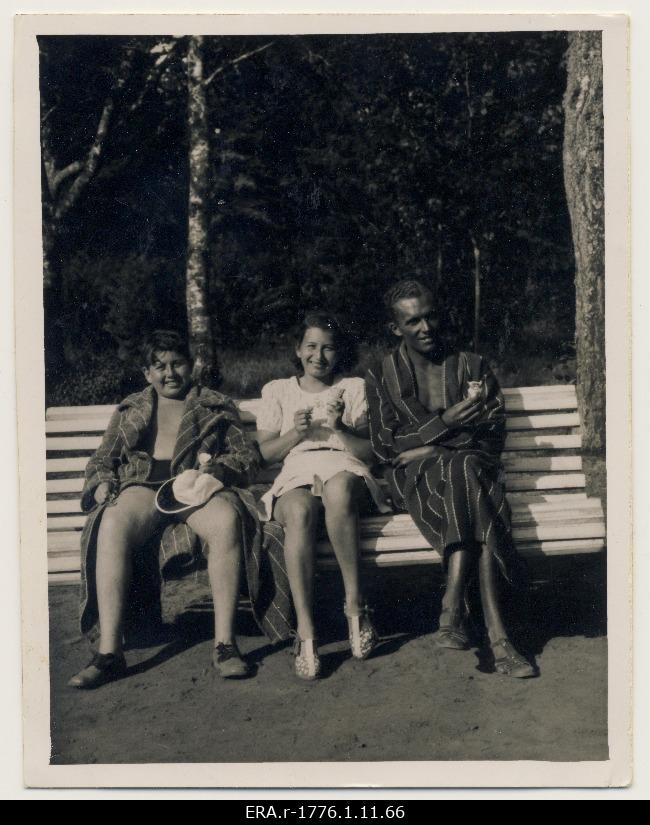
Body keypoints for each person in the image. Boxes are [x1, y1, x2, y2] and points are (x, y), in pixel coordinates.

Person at [69, 330, 265, 688]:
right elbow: (103, 457)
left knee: (225, 519)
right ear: (147, 373)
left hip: (193, 486)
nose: (169, 373)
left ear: (191, 366)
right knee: (112, 522)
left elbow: (247, 455)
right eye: (159, 366)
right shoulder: (132, 409)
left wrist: (221, 469)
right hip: (143, 485)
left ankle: (225, 643)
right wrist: (100, 483)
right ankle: (110, 652)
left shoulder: (215, 405)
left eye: (177, 363)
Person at [365, 279, 535, 678]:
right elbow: (384, 446)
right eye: (413, 322)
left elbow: (493, 433)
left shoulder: (472, 366)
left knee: (464, 473)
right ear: (396, 328)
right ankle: (499, 639)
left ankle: (456, 608)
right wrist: (442, 428)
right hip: (421, 483)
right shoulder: (380, 375)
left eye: (431, 316)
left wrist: (430, 445)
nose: (426, 328)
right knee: (471, 483)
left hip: (471, 471)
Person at [256, 312, 391, 680]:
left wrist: (341, 427)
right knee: (298, 512)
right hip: (296, 473)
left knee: (338, 486)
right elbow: (264, 454)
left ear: (339, 352)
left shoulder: (354, 387)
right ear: (298, 350)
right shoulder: (277, 391)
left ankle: (354, 607)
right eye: (311, 347)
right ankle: (306, 628)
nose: (319, 356)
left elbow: (371, 453)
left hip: (345, 468)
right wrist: (294, 435)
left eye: (328, 348)